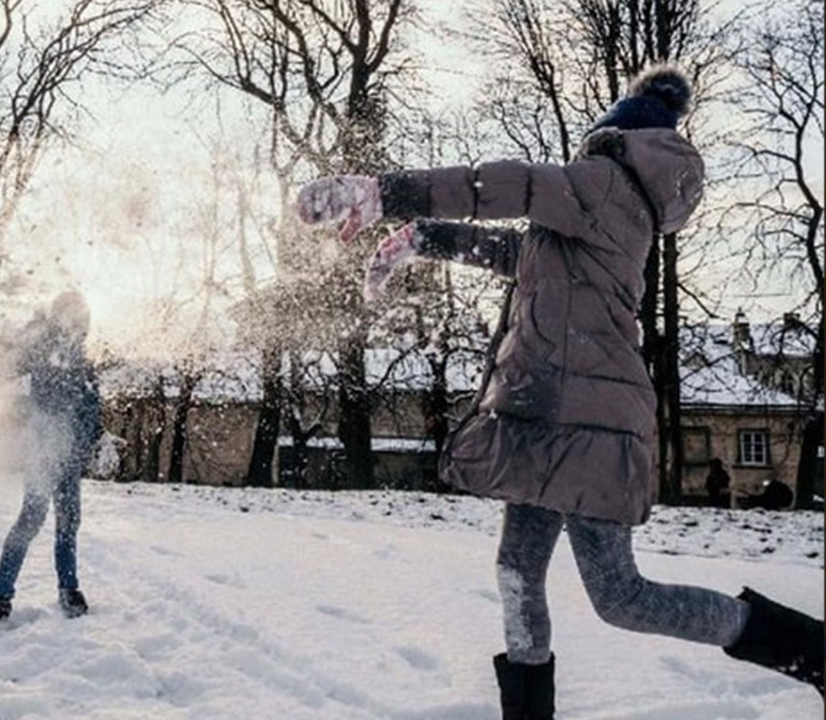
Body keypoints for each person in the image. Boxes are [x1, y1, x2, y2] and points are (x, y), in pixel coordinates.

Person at [296, 65, 823, 718]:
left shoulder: (599, 183)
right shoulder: (609, 215)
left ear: (612, 137)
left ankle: (811, 649)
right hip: (547, 420)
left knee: (621, 596)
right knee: (518, 572)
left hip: (587, 426)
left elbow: (501, 185)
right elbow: (518, 257)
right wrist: (423, 239)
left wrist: (382, 193)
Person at [0, 290, 102, 622]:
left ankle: (69, 588)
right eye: (72, 315)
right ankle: (1, 593)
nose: (78, 323)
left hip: (70, 456)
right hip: (43, 450)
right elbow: (9, 367)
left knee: (69, 522)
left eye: (82, 317)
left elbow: (92, 407)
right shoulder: (43, 348)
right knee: (31, 519)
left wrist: (97, 438)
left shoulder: (84, 360)